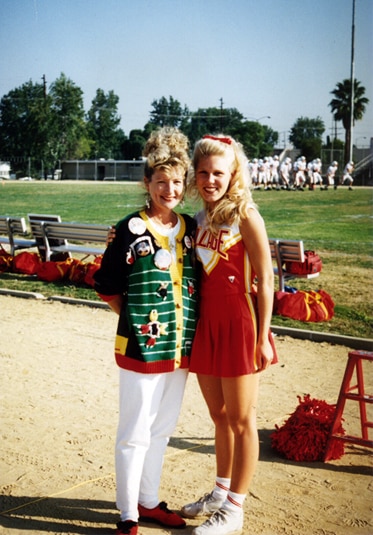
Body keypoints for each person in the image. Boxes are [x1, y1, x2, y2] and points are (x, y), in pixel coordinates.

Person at [94, 127, 198, 535]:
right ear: (147, 183)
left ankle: (149, 500)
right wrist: (133, 318)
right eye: (161, 182)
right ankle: (127, 514)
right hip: (142, 348)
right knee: (134, 432)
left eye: (176, 182)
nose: (169, 189)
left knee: (162, 429)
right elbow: (106, 285)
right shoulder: (129, 230)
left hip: (179, 349)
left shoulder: (189, 228)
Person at [181, 134, 278, 535]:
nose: (209, 180)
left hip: (240, 321)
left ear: (233, 173)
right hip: (208, 322)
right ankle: (221, 492)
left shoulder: (247, 214)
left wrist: (263, 335)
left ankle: (234, 509)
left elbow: (268, 278)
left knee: (242, 420)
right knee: (218, 416)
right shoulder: (200, 217)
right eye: (202, 172)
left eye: (218, 173)